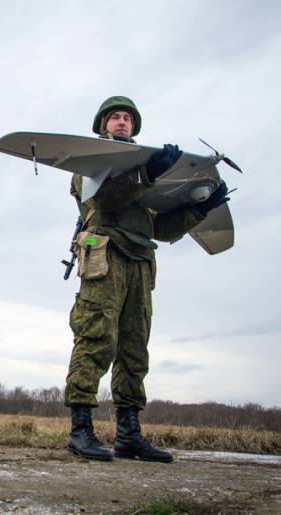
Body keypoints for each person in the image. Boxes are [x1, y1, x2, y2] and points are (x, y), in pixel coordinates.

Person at [65, 96, 229, 463]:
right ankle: (81, 430)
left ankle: (128, 435)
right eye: (115, 117)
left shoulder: (148, 173)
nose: (122, 122)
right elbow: (104, 202)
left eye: (127, 118)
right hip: (104, 253)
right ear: (102, 125)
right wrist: (147, 174)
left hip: (141, 259)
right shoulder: (89, 163)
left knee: (135, 347)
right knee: (96, 335)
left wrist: (200, 209)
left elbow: (161, 229)